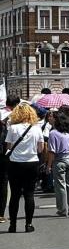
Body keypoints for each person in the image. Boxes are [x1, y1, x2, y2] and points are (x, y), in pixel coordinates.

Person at [4, 103, 44, 233]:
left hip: (15, 163)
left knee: (15, 195)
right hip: (31, 162)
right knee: (29, 194)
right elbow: (40, 148)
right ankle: (29, 224)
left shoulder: (12, 128)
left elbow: (9, 147)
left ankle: (13, 225)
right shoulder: (36, 128)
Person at [46, 108, 69, 217]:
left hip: (59, 160)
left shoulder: (53, 133)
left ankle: (62, 209)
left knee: (60, 185)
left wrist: (48, 166)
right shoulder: (68, 132)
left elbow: (51, 152)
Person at [0, 95, 21, 224]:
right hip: (5, 153)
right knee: (3, 181)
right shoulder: (15, 116)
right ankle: (1, 214)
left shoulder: (3, 113)